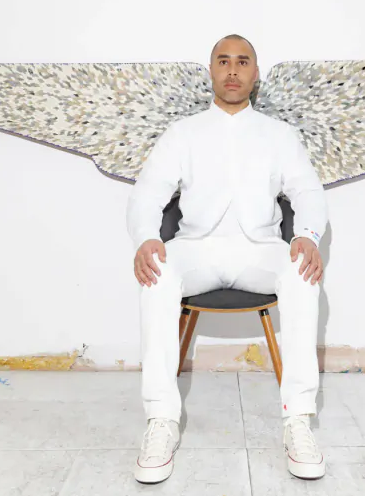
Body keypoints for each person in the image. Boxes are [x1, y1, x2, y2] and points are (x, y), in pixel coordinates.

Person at [126, 34, 329, 484]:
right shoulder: (184, 133)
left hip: (260, 250)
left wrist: (308, 236)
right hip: (196, 249)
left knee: (302, 271)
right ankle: (161, 420)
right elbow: (148, 193)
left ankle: (298, 420)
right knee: (156, 275)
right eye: (224, 61)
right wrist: (144, 238)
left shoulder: (279, 135)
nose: (233, 70)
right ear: (212, 71)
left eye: (243, 62)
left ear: (255, 75)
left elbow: (308, 193)